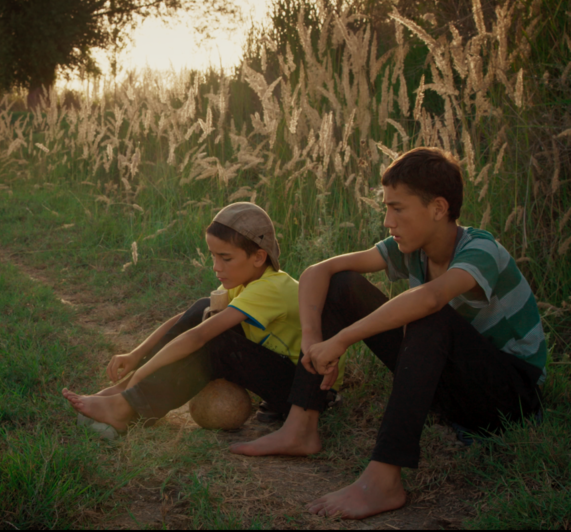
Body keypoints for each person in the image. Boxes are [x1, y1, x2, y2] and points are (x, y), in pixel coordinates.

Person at [231, 147, 546, 519]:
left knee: (431, 315)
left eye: (398, 208)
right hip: (450, 387)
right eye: (386, 208)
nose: (387, 221)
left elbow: (430, 299)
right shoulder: (411, 250)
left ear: (438, 208)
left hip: (511, 397)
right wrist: (314, 342)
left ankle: (384, 480)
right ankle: (301, 426)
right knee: (343, 283)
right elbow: (318, 271)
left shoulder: (481, 250)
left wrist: (343, 339)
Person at [62, 202, 340, 439]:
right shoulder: (248, 281)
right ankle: (128, 403)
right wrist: (137, 354)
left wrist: (132, 380)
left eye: (226, 258)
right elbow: (187, 319)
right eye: (213, 256)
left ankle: (125, 406)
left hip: (304, 395)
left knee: (215, 341)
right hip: (278, 379)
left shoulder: (271, 287)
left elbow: (197, 337)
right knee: (204, 308)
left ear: (259, 257)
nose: (216, 267)